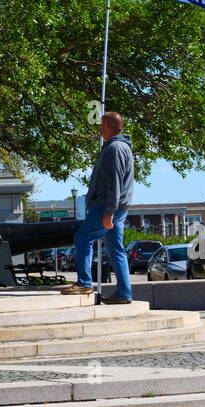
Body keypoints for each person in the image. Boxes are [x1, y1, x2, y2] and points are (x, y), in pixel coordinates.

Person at [62, 112, 134, 304]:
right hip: (116, 206)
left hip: (106, 206)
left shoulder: (115, 149)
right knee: (116, 249)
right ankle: (123, 294)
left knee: (82, 238)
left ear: (109, 126)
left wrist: (108, 212)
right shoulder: (118, 147)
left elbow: (114, 182)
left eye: (102, 125)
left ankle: (84, 283)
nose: (100, 128)